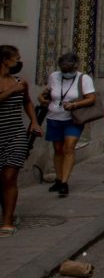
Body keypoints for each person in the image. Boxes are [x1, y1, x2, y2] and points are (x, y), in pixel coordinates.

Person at [40, 52, 97, 198]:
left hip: (73, 119)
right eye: (64, 70)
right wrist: (42, 98)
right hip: (54, 117)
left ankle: (65, 183)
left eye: (69, 70)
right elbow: (48, 93)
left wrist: (75, 104)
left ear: (75, 67)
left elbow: (91, 98)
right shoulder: (54, 76)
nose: (66, 73)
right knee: (58, 149)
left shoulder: (84, 78)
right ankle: (58, 179)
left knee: (69, 147)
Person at [0, 46, 42, 235]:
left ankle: (7, 221)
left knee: (9, 178)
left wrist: (34, 121)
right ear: (5, 60)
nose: (19, 62)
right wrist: (12, 90)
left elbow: (27, 102)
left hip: (15, 135)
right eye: (16, 58)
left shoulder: (20, 82)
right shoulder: (16, 85)